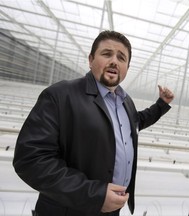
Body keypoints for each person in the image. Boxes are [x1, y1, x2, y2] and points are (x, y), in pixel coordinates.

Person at [13, 30, 174, 216]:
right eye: (107, 54)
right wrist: (94, 195)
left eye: (121, 58)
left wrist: (161, 104)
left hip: (111, 209)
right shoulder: (61, 95)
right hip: (72, 210)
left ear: (126, 68)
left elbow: (137, 121)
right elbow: (31, 160)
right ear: (90, 60)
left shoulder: (125, 101)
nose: (114, 60)